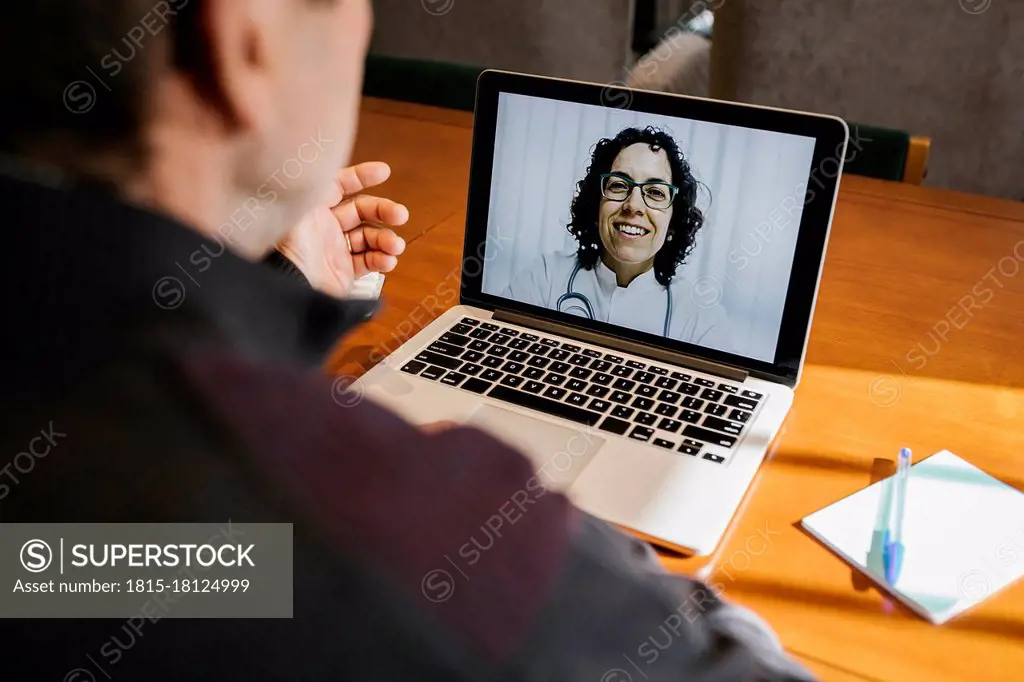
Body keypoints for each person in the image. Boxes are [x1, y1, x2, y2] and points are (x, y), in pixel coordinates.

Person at [0, 2, 812, 681]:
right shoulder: (412, 543)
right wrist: (506, 523)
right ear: (242, 38)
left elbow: (85, 569)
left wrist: (276, 309)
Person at [506, 126, 734, 352]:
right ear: (596, 204)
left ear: (674, 221)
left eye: (655, 192)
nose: (633, 205)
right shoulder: (545, 277)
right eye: (619, 185)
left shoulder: (701, 319)